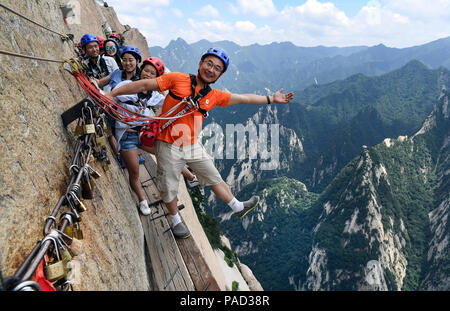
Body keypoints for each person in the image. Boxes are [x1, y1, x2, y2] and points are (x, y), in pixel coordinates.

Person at [107, 47, 294, 238]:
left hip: (191, 144)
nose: (211, 69)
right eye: (209, 64)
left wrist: (271, 99)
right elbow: (143, 85)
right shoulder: (177, 79)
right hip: (167, 143)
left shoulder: (214, 96)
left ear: (220, 74)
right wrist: (112, 95)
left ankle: (237, 206)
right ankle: (175, 220)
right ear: (200, 64)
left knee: (213, 176)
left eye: (217, 68)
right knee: (168, 186)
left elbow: (243, 98)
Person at [111, 55, 198, 215]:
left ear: (157, 78)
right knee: (135, 171)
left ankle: (192, 178)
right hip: (126, 135)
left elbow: (172, 107)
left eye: (152, 74)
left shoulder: (155, 96)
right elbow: (110, 97)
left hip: (144, 134)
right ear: (141, 70)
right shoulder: (127, 86)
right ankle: (142, 200)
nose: (147, 75)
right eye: (146, 71)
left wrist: (187, 103)